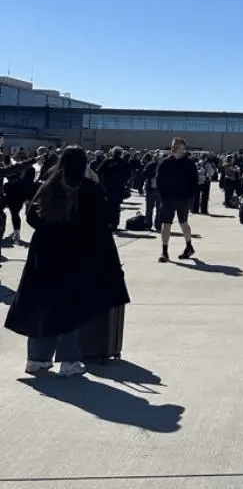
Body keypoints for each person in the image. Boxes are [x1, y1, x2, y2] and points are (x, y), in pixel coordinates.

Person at [4, 145, 130, 376]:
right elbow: (100, 223)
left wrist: (48, 229)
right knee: (70, 307)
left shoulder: (48, 186)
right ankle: (69, 361)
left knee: (41, 305)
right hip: (73, 255)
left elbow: (31, 215)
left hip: (43, 255)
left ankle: (37, 359)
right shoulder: (89, 189)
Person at [155, 137, 198, 262]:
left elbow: (194, 182)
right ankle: (164, 251)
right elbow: (159, 181)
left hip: (183, 199)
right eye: (173, 146)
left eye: (177, 146)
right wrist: (162, 195)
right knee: (166, 224)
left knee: (183, 222)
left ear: (183, 149)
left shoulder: (189, 164)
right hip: (168, 199)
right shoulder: (166, 163)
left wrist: (190, 198)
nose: (174, 148)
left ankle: (189, 246)